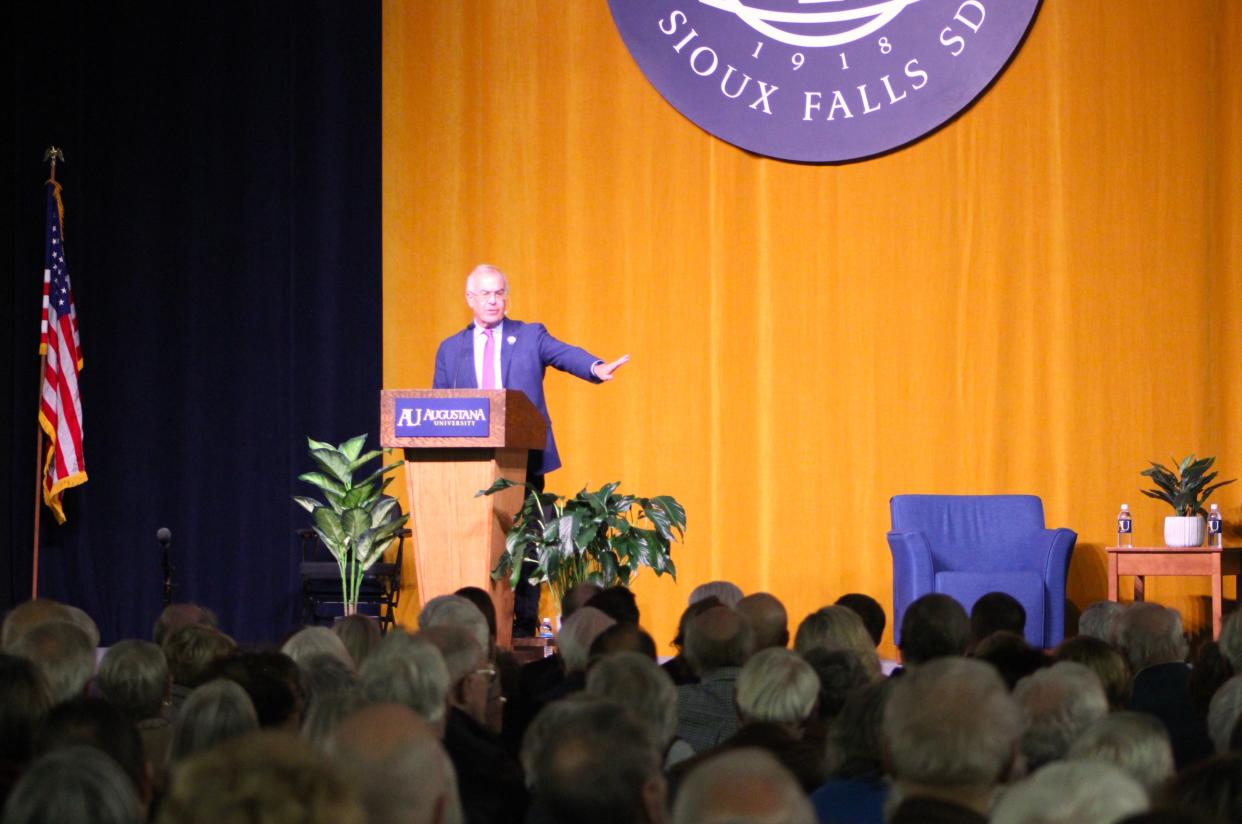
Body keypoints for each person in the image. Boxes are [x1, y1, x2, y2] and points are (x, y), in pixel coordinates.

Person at [433, 264, 628, 636]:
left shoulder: (528, 336)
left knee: (529, 545)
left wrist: (595, 366)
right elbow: (438, 410)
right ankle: (469, 625)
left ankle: (522, 628)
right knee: (477, 546)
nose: (494, 300)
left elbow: (564, 353)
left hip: (525, 462)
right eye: (486, 294)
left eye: (500, 293)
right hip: (467, 471)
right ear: (470, 299)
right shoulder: (451, 349)